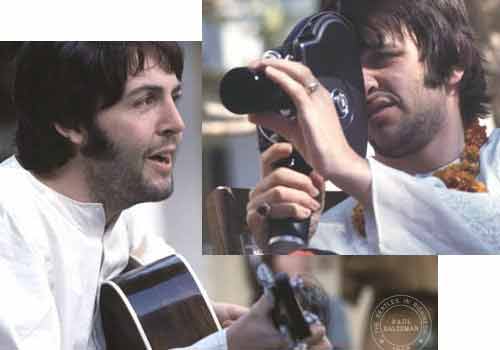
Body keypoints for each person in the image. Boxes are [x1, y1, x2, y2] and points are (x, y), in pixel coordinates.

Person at [0, 42, 330, 350]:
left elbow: (160, 309)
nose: (176, 122)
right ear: (71, 122)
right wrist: (226, 344)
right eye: (145, 100)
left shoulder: (116, 210)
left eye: (175, 96)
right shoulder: (10, 214)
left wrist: (202, 322)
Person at [246, 0, 500, 254]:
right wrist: (285, 242)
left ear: (454, 61)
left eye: (382, 57)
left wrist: (351, 170)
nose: (364, 84)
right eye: (348, 70)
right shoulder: (330, 231)